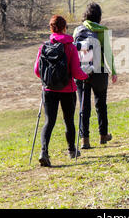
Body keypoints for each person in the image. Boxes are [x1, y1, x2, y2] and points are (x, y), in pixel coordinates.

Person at [34, 15, 89, 167]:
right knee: (68, 120)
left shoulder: (44, 46)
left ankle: (44, 151)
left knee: (48, 121)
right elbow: (76, 72)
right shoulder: (70, 47)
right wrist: (85, 75)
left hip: (48, 89)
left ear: (51, 29)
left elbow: (37, 71)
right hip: (67, 89)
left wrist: (48, 79)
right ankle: (72, 150)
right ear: (65, 28)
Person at [74, 3, 118, 150]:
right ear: (99, 16)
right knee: (101, 104)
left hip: (81, 73)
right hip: (98, 71)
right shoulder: (101, 31)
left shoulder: (77, 30)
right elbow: (108, 53)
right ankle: (103, 135)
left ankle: (84, 140)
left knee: (84, 106)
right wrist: (113, 71)